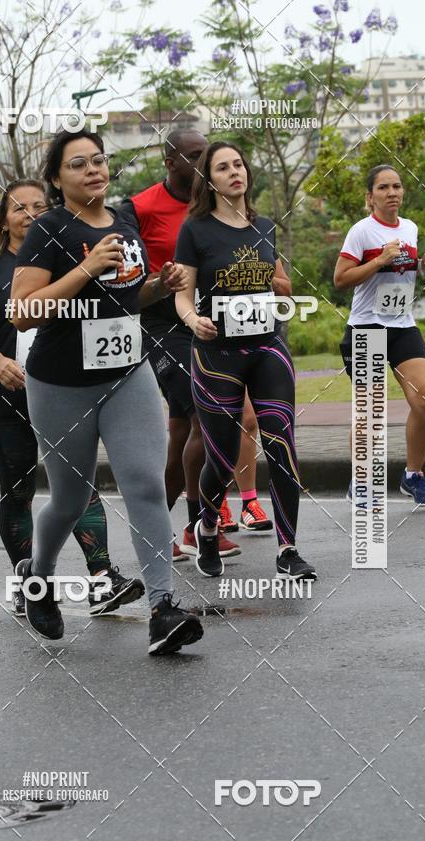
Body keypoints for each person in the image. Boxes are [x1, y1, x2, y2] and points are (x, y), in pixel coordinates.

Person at [10, 128, 204, 655]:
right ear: (57, 178)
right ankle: (39, 576)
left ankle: (163, 608)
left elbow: (125, 299)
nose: (93, 170)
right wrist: (85, 267)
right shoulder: (47, 231)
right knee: (69, 500)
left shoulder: (123, 223)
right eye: (78, 164)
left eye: (99, 161)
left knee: (143, 482)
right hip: (60, 384)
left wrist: (157, 288)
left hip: (127, 374)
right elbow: (24, 310)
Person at [0, 178, 145, 617]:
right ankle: (31, 582)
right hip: (5, 392)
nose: (30, 214)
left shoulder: (70, 254)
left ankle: (102, 578)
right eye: (19, 208)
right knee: (19, 490)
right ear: (3, 221)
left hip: (64, 387)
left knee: (79, 483)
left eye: (39, 205)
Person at [121, 130, 272, 557]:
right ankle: (197, 526)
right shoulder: (139, 207)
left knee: (182, 437)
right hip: (165, 327)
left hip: (216, 326)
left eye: (211, 155)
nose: (207, 162)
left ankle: (153, 532)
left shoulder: (225, 208)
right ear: (170, 163)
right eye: (196, 156)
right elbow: (126, 272)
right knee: (211, 421)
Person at [174, 141, 317, 580]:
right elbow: (183, 294)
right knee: (221, 459)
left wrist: (281, 287)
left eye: (239, 164)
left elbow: (275, 280)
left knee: (282, 445)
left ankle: (288, 550)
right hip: (217, 354)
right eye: (223, 167)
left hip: (266, 346)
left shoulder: (265, 226)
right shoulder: (195, 230)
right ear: (210, 180)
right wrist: (193, 320)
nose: (235, 171)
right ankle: (209, 524)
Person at [334, 164, 425, 508]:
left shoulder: (410, 227)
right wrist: (379, 259)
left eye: (396, 186)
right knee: (370, 411)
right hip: (366, 327)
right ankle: (360, 481)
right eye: (383, 187)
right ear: (370, 196)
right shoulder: (361, 231)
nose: (392, 192)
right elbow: (341, 279)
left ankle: (413, 475)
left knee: (424, 399)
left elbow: (406, 274)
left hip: (402, 325)